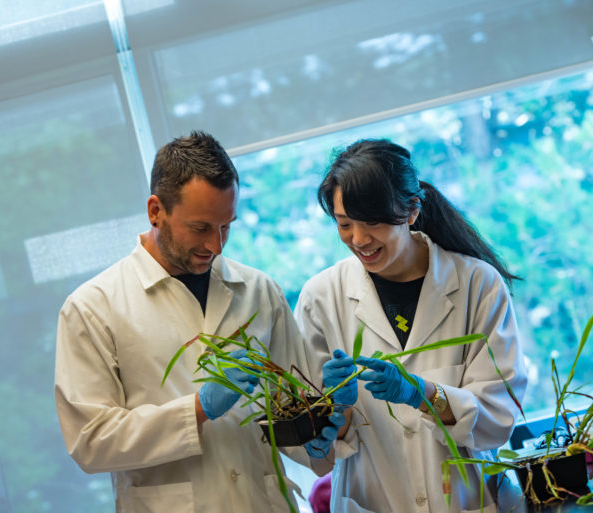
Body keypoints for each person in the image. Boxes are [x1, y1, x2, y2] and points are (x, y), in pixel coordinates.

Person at [54, 130, 307, 513]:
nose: (217, 245)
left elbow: (294, 411)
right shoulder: (93, 307)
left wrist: (325, 423)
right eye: (201, 228)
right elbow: (90, 441)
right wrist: (197, 410)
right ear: (156, 210)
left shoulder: (258, 290)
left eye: (227, 226)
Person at [294, 139, 527, 513]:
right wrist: (334, 413)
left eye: (373, 222)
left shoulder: (476, 285)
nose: (359, 239)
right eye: (345, 224)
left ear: (412, 210)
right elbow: (317, 453)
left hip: (467, 501)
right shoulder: (320, 298)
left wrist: (422, 394)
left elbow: (496, 421)